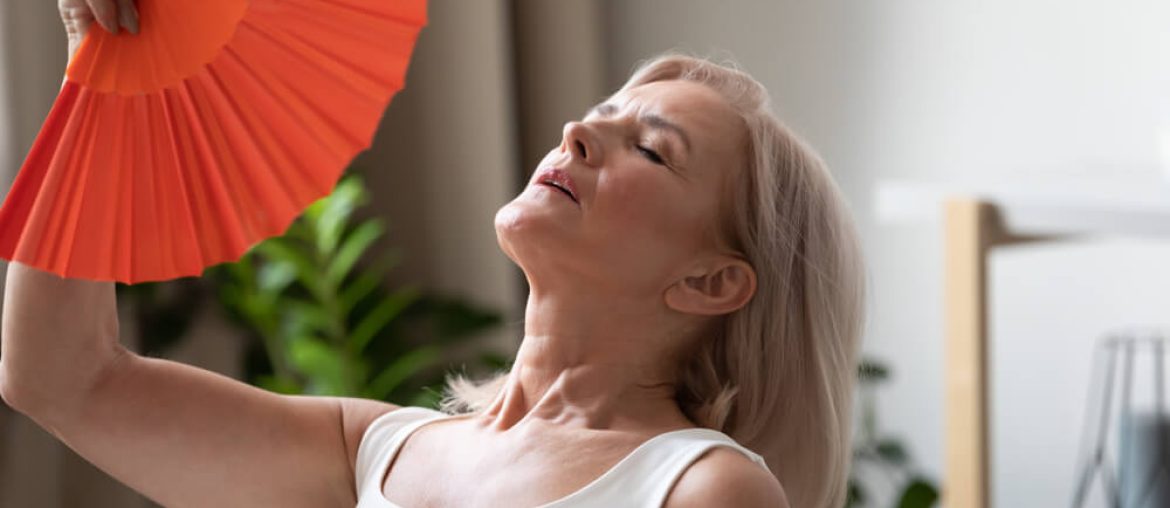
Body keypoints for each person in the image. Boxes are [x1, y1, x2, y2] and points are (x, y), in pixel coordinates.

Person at [0, 1, 864, 507]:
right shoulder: (375, 449)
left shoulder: (701, 489)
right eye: (599, 111)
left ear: (711, 281)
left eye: (651, 147)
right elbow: (62, 376)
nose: (578, 131)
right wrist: (102, 71)